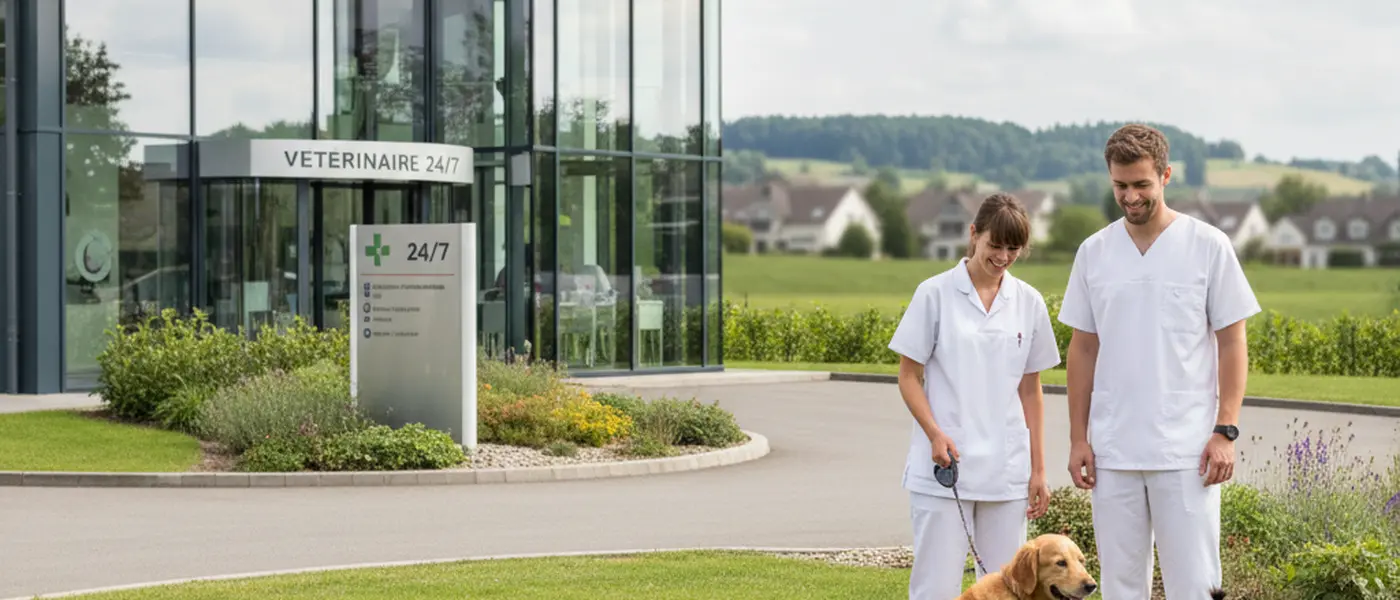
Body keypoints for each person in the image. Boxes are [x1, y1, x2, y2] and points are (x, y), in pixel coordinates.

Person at [1057, 124, 1260, 598]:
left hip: (1187, 451)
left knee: (1195, 585)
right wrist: (1077, 439)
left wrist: (1225, 430)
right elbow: (1083, 348)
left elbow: (1233, 342)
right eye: (1120, 186)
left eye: (1141, 185)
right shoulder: (1094, 253)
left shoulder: (1208, 246)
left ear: (1166, 176)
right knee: (1121, 588)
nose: (1130, 196)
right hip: (1114, 450)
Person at [888, 192, 1061, 600]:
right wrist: (934, 433)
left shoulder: (1029, 302)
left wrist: (1038, 470)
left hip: (1007, 471)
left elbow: (1031, 391)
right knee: (935, 588)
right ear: (973, 234)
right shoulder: (934, 294)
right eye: (994, 245)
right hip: (945, 469)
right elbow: (909, 376)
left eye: (1013, 249)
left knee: (1009, 591)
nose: (1002, 256)